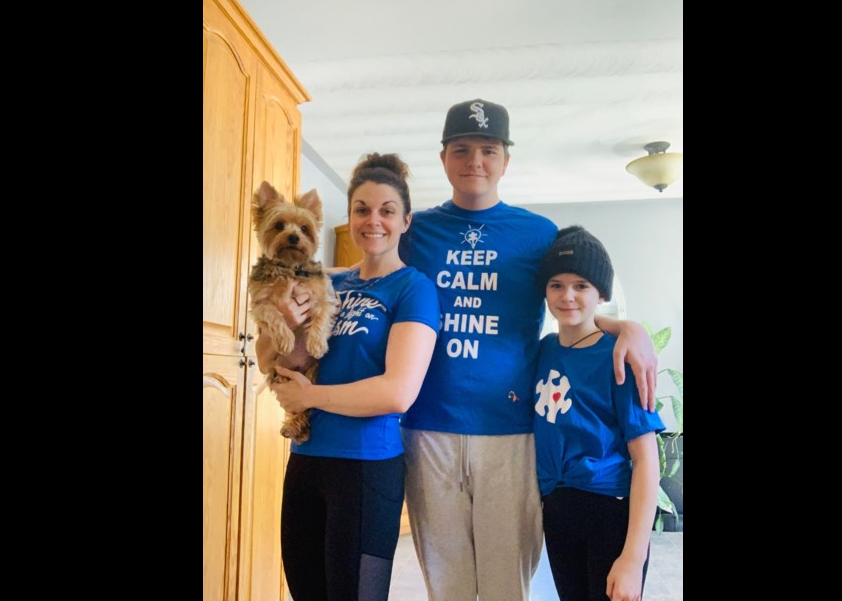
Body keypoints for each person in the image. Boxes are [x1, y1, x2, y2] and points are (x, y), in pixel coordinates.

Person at [397, 99, 659, 600]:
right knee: (447, 585)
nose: (475, 160)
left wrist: (625, 326)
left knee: (505, 585)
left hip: (512, 432)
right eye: (462, 148)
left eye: (488, 149)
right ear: (444, 157)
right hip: (428, 426)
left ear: (506, 161)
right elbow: (376, 274)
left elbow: (579, 292)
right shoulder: (416, 231)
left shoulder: (538, 234)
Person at [256, 153, 440, 601]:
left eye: (386, 211)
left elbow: (398, 393)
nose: (372, 221)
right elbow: (265, 359)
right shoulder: (328, 281)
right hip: (306, 459)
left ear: (405, 220)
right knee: (306, 590)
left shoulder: (413, 288)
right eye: (361, 209)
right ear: (349, 217)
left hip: (366, 467)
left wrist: (309, 397)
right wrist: (280, 319)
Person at [534, 226, 664, 601]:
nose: (567, 295)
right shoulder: (542, 352)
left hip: (610, 512)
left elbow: (646, 460)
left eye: (581, 286)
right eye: (556, 284)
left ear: (601, 293)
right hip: (557, 513)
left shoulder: (622, 357)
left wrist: (633, 557)